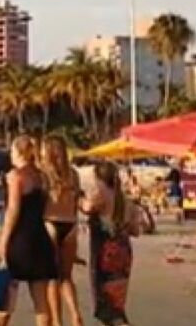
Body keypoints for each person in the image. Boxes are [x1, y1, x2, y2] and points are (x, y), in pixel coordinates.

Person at [0, 136, 57, 326]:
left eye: (12, 150)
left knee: (5, 298)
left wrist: (2, 245)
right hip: (39, 238)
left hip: (20, 241)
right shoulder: (41, 176)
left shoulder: (16, 176)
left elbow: (13, 210)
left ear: (19, 152)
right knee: (41, 303)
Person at [82, 162, 144, 326]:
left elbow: (86, 207)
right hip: (123, 253)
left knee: (106, 306)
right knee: (116, 304)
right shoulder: (127, 202)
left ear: (99, 179)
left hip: (104, 254)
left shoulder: (99, 199)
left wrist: (77, 198)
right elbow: (136, 231)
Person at [42, 135, 84, 326]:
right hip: (71, 225)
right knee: (66, 277)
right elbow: (76, 203)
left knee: (51, 278)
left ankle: (57, 322)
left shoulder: (43, 173)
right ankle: (75, 315)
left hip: (50, 223)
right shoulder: (73, 174)